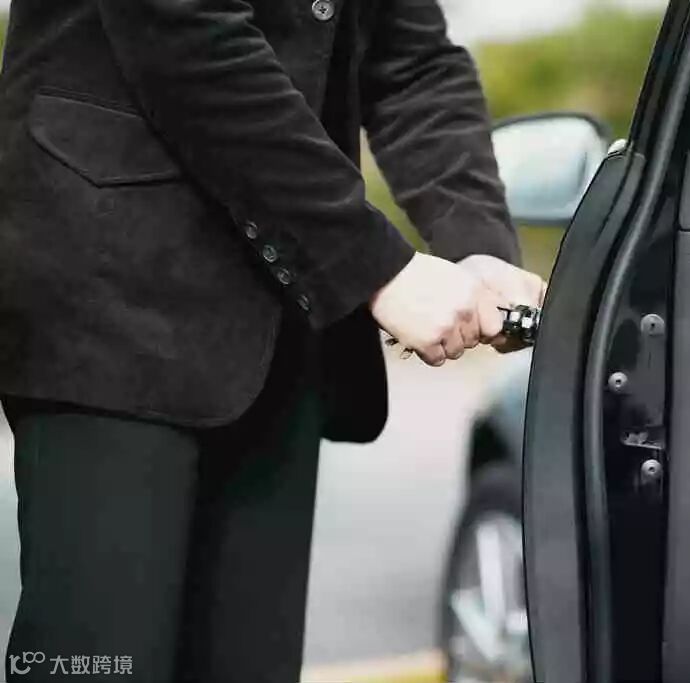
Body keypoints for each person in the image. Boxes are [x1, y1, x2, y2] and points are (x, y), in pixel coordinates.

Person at [0, 0, 545, 681]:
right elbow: (185, 30)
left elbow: (412, 59)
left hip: (281, 319)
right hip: (111, 301)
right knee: (100, 663)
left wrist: (477, 244)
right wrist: (376, 268)